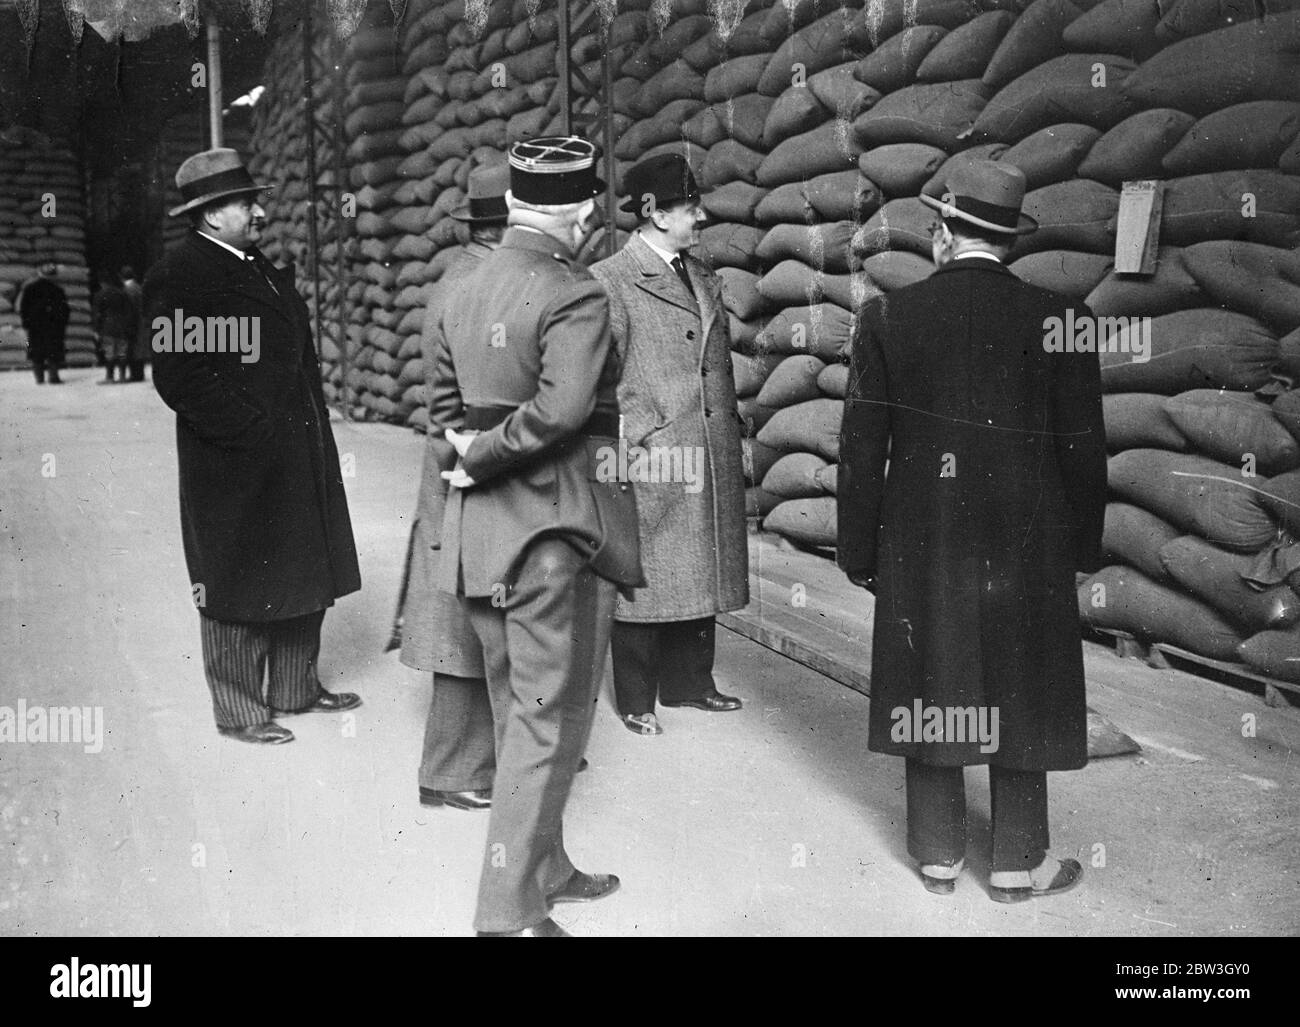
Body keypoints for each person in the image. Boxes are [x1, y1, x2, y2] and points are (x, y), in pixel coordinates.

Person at [837, 161, 1107, 902]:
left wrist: (859, 550)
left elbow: (863, 446)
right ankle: (1021, 860)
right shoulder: (1063, 316)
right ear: (1008, 241)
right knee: (1022, 675)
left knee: (937, 668)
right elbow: (1083, 447)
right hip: (1030, 533)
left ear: (942, 234)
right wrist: (1082, 548)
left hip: (924, 532)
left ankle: (937, 852)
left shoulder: (887, 317)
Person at [427, 136, 643, 937]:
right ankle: (508, 911)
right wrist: (489, 455)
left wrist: (471, 456)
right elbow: (562, 411)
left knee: (519, 709)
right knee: (545, 723)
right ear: (575, 209)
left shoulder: (459, 284)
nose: (592, 216)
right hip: (553, 536)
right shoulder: (575, 291)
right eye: (588, 204)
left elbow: (441, 413)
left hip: (480, 537)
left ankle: (545, 865)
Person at [147, 148, 362, 745]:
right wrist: (249, 431)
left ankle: (295, 688)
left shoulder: (254, 262)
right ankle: (240, 709)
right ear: (212, 215)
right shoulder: (183, 273)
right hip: (235, 457)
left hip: (294, 447)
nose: (260, 211)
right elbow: (180, 375)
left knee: (301, 562)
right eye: (247, 203)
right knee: (235, 574)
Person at [589, 153, 747, 737]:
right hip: (655, 451)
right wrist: (639, 430)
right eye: (689, 208)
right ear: (654, 214)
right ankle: (636, 698)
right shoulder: (611, 279)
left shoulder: (701, 274)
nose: (700, 216)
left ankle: (691, 684)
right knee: (647, 573)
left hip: (704, 443)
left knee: (700, 559)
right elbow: (598, 377)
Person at [398, 161, 510, 812]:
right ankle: (449, 771)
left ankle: (483, 760)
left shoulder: (473, 274)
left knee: (481, 618)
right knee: (463, 624)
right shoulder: (473, 286)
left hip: (467, 457)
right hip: (468, 460)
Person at [19, 261, 69, 384]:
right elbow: (64, 310)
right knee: (53, 351)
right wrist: (62, 324)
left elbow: (23, 308)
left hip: (35, 326)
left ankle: (39, 378)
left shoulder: (30, 288)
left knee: (36, 352)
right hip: (53, 326)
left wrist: (26, 323)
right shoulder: (58, 290)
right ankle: (53, 377)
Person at [91, 267, 138, 384]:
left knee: (110, 352)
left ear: (101, 282)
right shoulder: (122, 293)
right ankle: (122, 376)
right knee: (122, 352)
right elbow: (129, 311)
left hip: (108, 327)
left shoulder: (100, 295)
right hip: (122, 327)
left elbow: (98, 314)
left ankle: (110, 377)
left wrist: (96, 329)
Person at [120, 265, 147, 382]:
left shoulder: (127, 290)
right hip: (141, 321)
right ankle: (139, 374)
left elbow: (129, 309)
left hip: (132, 322)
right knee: (139, 349)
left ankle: (134, 375)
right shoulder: (138, 287)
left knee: (131, 349)